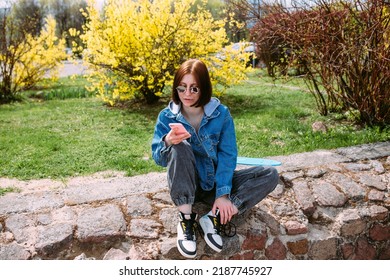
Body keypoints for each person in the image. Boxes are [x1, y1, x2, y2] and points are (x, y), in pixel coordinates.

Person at [151, 59, 279, 258]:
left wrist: (223, 195)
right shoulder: (166, 116)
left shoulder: (221, 114)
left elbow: (228, 156)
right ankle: (186, 220)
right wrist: (167, 141)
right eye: (182, 88)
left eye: (194, 89)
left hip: (215, 183)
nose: (187, 94)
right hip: (187, 185)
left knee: (270, 174)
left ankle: (213, 217)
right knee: (179, 146)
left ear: (204, 88)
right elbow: (158, 158)